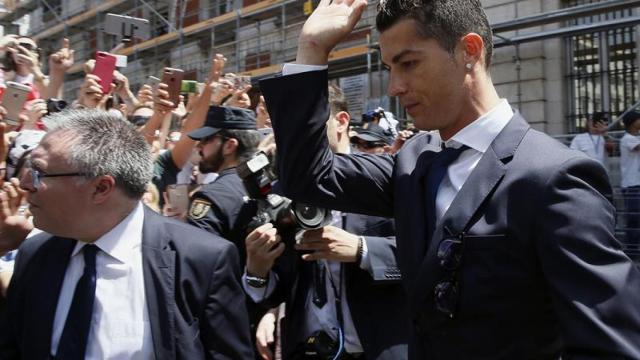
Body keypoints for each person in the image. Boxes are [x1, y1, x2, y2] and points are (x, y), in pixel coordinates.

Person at [259, 0, 640, 358]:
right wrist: (311, 50)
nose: (394, 87)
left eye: (408, 64)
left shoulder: (555, 177)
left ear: (469, 51)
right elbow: (310, 176)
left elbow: (608, 344)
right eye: (390, 67)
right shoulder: (413, 163)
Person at [0, 109, 254, 359]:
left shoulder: (202, 260)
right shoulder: (35, 254)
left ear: (101, 188)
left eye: (39, 172)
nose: (24, 184)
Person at [246, 85, 408, 360]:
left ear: (342, 121)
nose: (298, 137)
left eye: (309, 124)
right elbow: (278, 288)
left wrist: (362, 249)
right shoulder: (284, 192)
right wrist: (256, 270)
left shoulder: (387, 180)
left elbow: (427, 255)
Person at [186, 105, 260, 261]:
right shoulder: (268, 184)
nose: (199, 146)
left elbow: (197, 262)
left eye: (206, 139)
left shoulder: (211, 196)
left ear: (229, 146)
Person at [620, 109, 640, 248]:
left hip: (637, 183)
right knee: (634, 218)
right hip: (632, 185)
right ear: (633, 123)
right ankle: (632, 250)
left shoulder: (636, 137)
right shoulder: (627, 139)